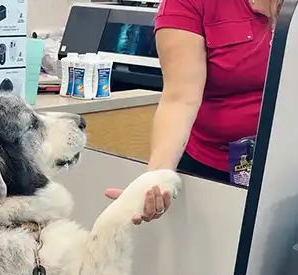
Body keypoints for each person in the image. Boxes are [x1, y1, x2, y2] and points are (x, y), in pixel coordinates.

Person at [106, 0, 282, 224]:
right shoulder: (189, 3)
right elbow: (180, 100)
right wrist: (155, 180)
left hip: (293, 166)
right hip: (213, 169)